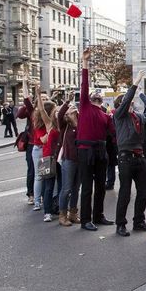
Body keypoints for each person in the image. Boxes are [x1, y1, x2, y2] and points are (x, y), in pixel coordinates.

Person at [78, 48, 116, 231]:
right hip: (86, 150)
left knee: (100, 185)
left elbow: (113, 133)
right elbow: (84, 85)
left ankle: (98, 215)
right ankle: (85, 219)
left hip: (101, 150)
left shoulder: (105, 114)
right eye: (95, 96)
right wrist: (85, 63)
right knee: (87, 187)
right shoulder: (85, 107)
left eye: (99, 97)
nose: (97, 97)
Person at [112, 70, 146, 237]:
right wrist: (135, 82)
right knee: (125, 192)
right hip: (126, 157)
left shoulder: (138, 117)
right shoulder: (119, 116)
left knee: (143, 192)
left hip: (139, 157)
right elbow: (127, 98)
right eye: (128, 102)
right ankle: (121, 224)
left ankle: (139, 221)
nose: (130, 104)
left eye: (132, 103)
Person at [35, 87, 59, 222]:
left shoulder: (61, 123)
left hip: (60, 157)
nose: (57, 111)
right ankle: (47, 212)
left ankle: (59, 208)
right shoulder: (49, 124)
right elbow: (42, 110)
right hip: (48, 157)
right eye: (55, 110)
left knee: (61, 185)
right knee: (49, 185)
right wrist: (38, 96)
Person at [56, 93, 80, 226]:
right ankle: (62, 215)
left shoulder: (81, 123)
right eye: (70, 109)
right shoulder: (65, 126)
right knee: (66, 188)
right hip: (69, 159)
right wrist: (66, 102)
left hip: (80, 160)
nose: (73, 109)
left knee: (76, 188)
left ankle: (73, 214)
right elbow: (59, 115)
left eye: (74, 108)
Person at [16, 72, 36, 205]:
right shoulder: (32, 110)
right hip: (32, 144)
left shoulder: (49, 111)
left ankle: (42, 193)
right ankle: (31, 193)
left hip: (45, 145)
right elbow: (26, 100)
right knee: (32, 170)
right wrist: (24, 83)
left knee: (46, 171)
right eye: (42, 98)